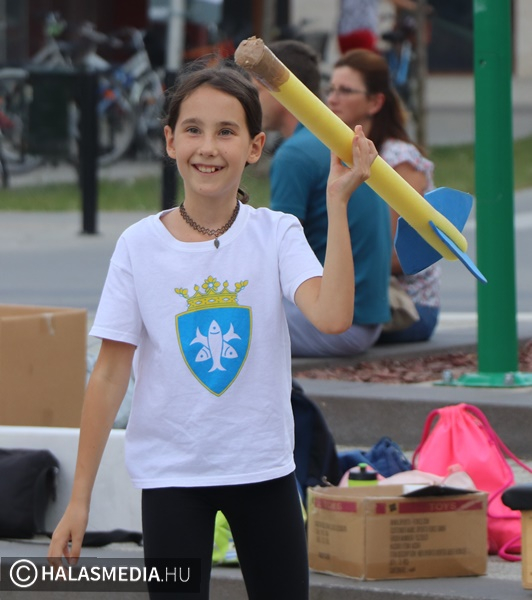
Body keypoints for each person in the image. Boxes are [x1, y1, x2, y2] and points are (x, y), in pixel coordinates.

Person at [47, 58, 377, 600]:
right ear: (170, 141)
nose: (208, 147)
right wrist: (79, 500)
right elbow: (108, 375)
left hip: (264, 469)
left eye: (226, 131)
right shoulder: (138, 246)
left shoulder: (277, 233)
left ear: (254, 146)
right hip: (172, 477)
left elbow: (333, 316)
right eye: (194, 130)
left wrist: (337, 203)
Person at [258, 40, 391, 357]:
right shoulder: (335, 139)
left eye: (256, 90)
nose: (247, 101)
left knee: (224, 322)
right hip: (366, 316)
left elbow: (275, 255)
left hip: (340, 322)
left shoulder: (294, 154)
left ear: (280, 92)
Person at [327, 48, 440, 343]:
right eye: (331, 89)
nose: (332, 99)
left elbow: (394, 256)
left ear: (375, 102)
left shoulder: (400, 160)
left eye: (345, 91)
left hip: (408, 305)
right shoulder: (339, 155)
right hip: (362, 293)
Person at [337, 0, 420, 53]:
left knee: (349, 66)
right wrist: (413, 7)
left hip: (343, 33)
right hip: (363, 31)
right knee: (364, 68)